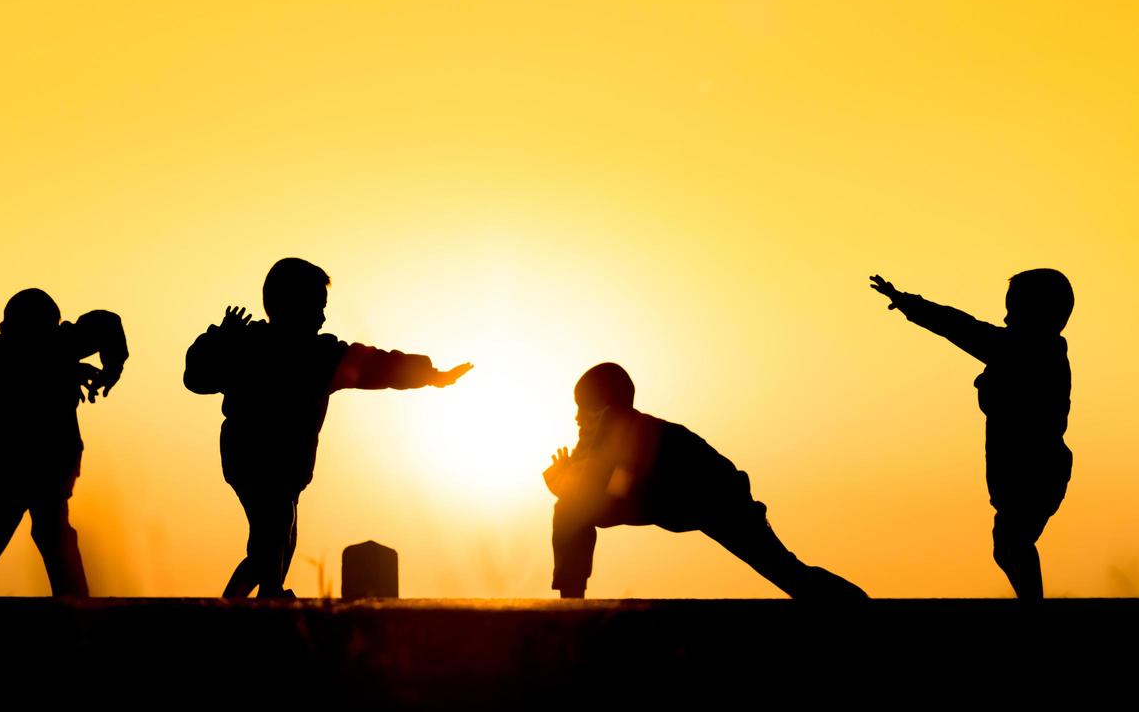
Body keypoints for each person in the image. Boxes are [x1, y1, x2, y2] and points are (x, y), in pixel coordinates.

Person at [185, 257, 473, 598]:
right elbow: (197, 378)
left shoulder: (321, 355)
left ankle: (257, 598)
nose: (322, 317)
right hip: (250, 456)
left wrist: (428, 374)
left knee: (280, 537)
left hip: (289, 465)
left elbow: (377, 365)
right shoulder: (250, 345)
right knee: (275, 527)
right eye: (316, 307)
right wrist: (219, 338)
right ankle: (260, 597)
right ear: (287, 305)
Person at [543, 362, 867, 601]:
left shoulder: (615, 421)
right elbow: (600, 485)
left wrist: (567, 483)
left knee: (787, 572)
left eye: (581, 408)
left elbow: (600, 485)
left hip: (716, 499)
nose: (576, 418)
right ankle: (572, 600)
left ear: (602, 406)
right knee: (788, 571)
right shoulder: (609, 428)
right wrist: (568, 483)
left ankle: (863, 608)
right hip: (673, 500)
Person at [869, 269, 1074, 599]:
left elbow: (958, 326)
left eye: (1014, 309)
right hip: (1031, 469)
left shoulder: (1023, 351)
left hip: (1034, 470)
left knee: (1011, 543)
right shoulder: (1035, 351)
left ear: (1039, 312)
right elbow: (961, 327)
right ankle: (1033, 604)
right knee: (1010, 543)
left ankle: (1034, 607)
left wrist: (909, 303)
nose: (1006, 317)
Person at [0, 289, 128, 597]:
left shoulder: (54, 348)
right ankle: (78, 610)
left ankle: (78, 610)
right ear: (5, 329)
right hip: (13, 469)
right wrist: (68, 366)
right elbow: (28, 361)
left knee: (46, 536)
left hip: (48, 467)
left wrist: (111, 367)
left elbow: (106, 324)